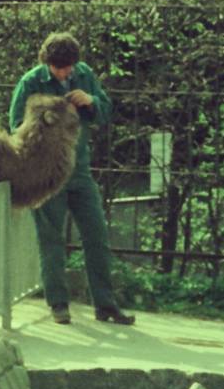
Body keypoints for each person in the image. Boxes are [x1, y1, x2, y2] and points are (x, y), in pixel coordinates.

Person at [9, 32, 134, 326]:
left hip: (79, 171)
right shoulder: (31, 82)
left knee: (97, 236)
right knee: (51, 240)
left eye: (68, 68)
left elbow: (105, 112)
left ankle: (105, 305)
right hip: (47, 176)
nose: (64, 73)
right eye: (58, 68)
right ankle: (58, 304)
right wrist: (46, 119)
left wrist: (91, 101)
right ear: (47, 63)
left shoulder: (84, 75)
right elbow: (16, 126)